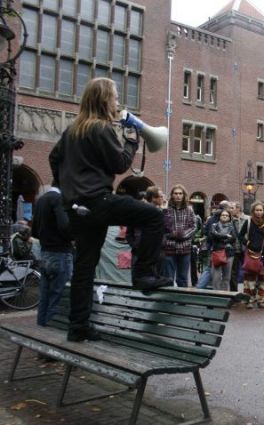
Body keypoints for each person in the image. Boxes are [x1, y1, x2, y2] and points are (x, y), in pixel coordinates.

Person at [49, 77, 170, 342]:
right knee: (152, 216)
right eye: (114, 97)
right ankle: (144, 274)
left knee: (84, 268)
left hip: (76, 207)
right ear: (104, 99)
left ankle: (78, 327)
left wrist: (66, 187)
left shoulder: (73, 130)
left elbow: (53, 158)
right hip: (97, 201)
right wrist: (131, 141)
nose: (117, 102)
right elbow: (119, 164)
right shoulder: (100, 128)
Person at [31, 186, 73, 327]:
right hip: (60, 253)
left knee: (45, 296)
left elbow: (34, 232)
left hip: (45, 254)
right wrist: (72, 236)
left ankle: (40, 330)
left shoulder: (41, 200)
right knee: (58, 296)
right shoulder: (58, 199)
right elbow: (65, 226)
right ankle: (50, 333)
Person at [239, 201, 264, 308]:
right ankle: (250, 300)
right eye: (256, 210)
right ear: (253, 211)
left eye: (261, 210)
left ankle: (262, 300)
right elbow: (240, 236)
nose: (258, 212)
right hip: (251, 254)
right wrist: (248, 243)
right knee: (249, 280)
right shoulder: (248, 222)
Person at [162, 184, 196, 287]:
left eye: (180, 193)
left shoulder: (189, 209)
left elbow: (193, 226)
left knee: (182, 279)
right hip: (169, 247)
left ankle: (182, 302)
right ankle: (169, 301)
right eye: (175, 193)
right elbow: (162, 226)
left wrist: (183, 235)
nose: (178, 196)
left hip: (185, 247)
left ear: (184, 195)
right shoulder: (166, 209)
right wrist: (173, 234)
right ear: (172, 195)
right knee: (168, 278)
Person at [204, 209, 236, 291]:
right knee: (216, 277)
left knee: (226, 278)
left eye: (226, 215)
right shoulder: (214, 226)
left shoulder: (232, 226)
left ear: (229, 217)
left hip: (229, 254)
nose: (225, 216)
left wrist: (220, 238)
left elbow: (233, 239)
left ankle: (225, 296)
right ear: (219, 217)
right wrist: (225, 236)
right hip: (217, 253)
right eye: (223, 215)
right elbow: (212, 237)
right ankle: (216, 296)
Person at [229, 202, 247, 292]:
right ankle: (234, 293)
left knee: (248, 270)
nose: (230, 210)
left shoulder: (248, 219)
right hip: (234, 249)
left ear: (238, 209)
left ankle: (249, 292)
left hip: (246, 249)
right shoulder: (230, 220)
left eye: (232, 208)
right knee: (233, 272)